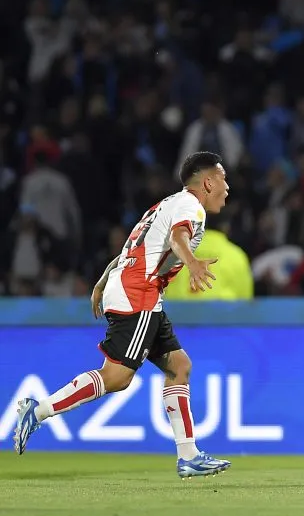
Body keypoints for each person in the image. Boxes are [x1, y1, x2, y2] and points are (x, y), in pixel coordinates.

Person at [13, 152, 234, 479]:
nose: (227, 188)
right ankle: (39, 410)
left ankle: (189, 457)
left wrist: (103, 282)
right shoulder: (191, 206)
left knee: (179, 366)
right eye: (223, 179)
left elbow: (131, 248)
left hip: (137, 289)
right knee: (117, 376)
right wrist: (192, 263)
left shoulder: (164, 205)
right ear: (207, 182)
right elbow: (178, 238)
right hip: (139, 293)